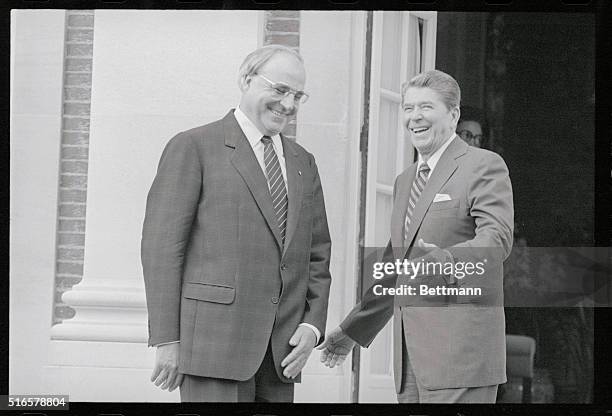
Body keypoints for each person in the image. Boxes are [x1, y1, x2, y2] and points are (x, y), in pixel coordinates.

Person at [141, 44, 332, 402]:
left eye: (297, 95)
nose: (288, 105)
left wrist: (311, 324)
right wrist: (168, 339)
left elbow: (317, 252)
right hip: (212, 350)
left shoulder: (304, 162)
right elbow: (162, 250)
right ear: (246, 80)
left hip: (281, 356)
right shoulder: (194, 146)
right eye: (279, 89)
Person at [319, 70, 514, 403]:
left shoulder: (483, 164)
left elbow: (497, 238)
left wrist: (448, 259)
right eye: (408, 108)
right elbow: (396, 267)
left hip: (461, 357)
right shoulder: (405, 180)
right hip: (409, 363)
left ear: (453, 115)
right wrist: (353, 330)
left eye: (426, 107)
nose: (414, 117)